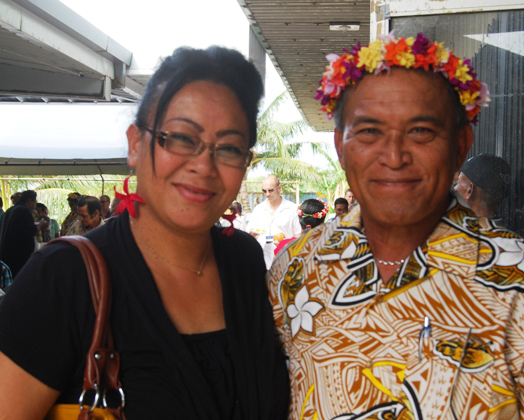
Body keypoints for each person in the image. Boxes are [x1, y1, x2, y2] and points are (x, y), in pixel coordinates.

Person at [268, 33, 524, 419]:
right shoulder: (294, 269)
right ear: (340, 146)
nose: (394, 156)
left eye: (421, 131)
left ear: (460, 144)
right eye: (370, 131)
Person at [0, 46, 289, 419]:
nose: (203, 166)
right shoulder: (62, 278)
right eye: (183, 138)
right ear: (136, 144)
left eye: (230, 148)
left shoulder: (244, 262)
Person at [247, 175, 302, 269]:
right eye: (264, 191)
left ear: (279, 188)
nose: (267, 194)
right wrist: (251, 235)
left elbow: (299, 234)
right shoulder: (258, 209)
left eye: (271, 190)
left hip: (284, 260)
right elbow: (249, 231)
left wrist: (285, 243)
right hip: (261, 260)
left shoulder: (292, 209)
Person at [0, 190, 47, 277]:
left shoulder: (8, 211)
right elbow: (30, 231)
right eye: (34, 202)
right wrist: (40, 225)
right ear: (30, 201)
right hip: (17, 258)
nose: (35, 206)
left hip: (5, 255)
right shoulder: (24, 211)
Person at [454, 153, 511, 220]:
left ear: (470, 190)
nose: (455, 188)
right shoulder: (502, 228)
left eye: (458, 183)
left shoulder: (460, 228)